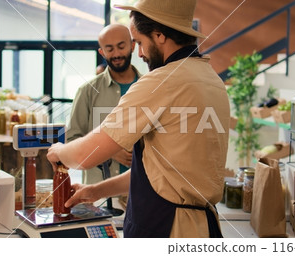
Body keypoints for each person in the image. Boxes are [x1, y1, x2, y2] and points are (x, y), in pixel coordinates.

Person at [48, 0, 230, 238]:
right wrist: (97, 190)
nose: (140, 53)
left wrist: (59, 151)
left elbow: (85, 156)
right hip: (204, 227)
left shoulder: (161, 82)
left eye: (141, 42)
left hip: (168, 227)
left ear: (159, 35)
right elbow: (162, 173)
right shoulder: (211, 79)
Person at [67, 24, 141, 185]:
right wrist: (109, 151)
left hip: (142, 190)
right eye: (109, 49)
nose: (116, 54)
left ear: (133, 46)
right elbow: (71, 141)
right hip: (97, 194)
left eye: (121, 47)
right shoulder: (87, 91)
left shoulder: (150, 88)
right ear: (102, 52)